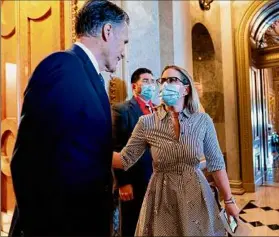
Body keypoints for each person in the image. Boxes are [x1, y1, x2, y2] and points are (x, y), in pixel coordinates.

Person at [9, 1, 129, 236]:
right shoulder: (62, 66)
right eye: (124, 42)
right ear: (107, 31)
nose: (124, 52)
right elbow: (27, 160)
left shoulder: (92, 76)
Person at [112, 65, 239, 236]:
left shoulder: (202, 121)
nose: (165, 85)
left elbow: (216, 163)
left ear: (186, 89)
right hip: (162, 197)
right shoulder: (147, 122)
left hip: (196, 193)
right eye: (162, 81)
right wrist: (92, 147)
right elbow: (124, 159)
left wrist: (229, 200)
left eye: (172, 80)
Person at [112, 68, 155, 236]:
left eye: (153, 81)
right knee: (133, 225)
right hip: (135, 181)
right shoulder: (122, 110)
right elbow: (117, 147)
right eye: (146, 81)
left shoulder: (160, 110)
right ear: (134, 86)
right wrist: (123, 182)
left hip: (157, 179)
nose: (150, 85)